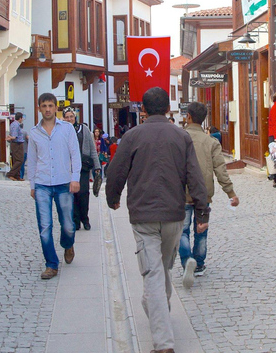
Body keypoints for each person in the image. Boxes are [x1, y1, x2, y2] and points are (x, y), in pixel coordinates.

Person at [106, 87, 210, 353]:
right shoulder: (181, 136)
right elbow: (194, 176)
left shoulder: (132, 136)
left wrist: (113, 197)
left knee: (154, 274)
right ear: (167, 110)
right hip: (174, 215)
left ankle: (163, 343)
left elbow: (116, 170)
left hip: (143, 215)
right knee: (160, 270)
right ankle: (159, 319)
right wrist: (201, 212)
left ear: (143, 110)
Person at [180, 102, 239, 288]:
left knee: (181, 230)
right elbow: (221, 170)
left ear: (188, 116)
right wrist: (230, 192)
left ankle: (186, 260)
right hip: (203, 194)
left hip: (181, 192)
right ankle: (199, 265)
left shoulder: (179, 138)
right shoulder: (211, 142)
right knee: (201, 230)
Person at [27, 93, 81, 279]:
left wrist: (75, 178)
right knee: (44, 226)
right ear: (39, 108)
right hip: (42, 184)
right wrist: (32, 184)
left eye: (50, 105)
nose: (47, 109)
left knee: (68, 225)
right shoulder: (34, 132)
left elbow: (75, 154)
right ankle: (51, 264)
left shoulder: (67, 129)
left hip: (64, 183)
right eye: (44, 106)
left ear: (56, 107)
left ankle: (68, 244)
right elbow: (32, 161)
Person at [62, 108, 101, 231]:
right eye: (67, 117)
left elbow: (92, 149)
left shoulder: (84, 129)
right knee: (72, 195)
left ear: (75, 117)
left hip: (83, 167)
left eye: (71, 116)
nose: (69, 119)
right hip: (69, 168)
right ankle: (76, 220)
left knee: (83, 193)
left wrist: (97, 166)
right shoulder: (62, 130)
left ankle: (85, 218)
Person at [6, 112, 25, 181]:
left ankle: (17, 176)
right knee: (20, 160)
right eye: (22, 118)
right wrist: (10, 137)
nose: (22, 119)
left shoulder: (14, 124)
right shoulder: (16, 125)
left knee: (16, 160)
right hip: (17, 144)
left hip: (17, 143)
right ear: (20, 118)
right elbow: (14, 136)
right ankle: (10, 174)